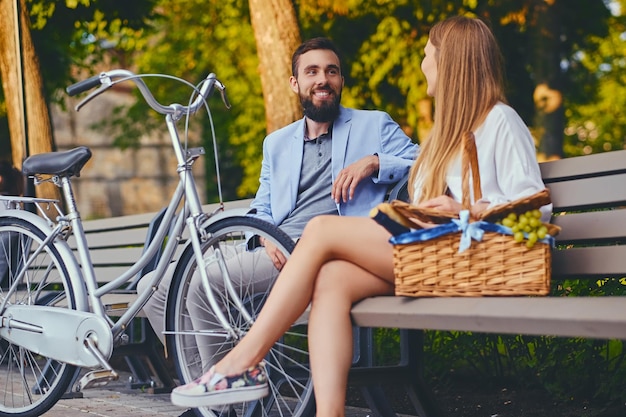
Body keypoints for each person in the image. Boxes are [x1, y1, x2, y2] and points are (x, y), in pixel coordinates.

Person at [170, 16, 552, 416]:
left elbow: (537, 205)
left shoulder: (500, 122)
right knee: (331, 279)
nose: (423, 65)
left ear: (452, 63)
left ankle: (241, 364)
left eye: (428, 56)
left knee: (320, 230)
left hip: (473, 260)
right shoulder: (444, 135)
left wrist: (466, 209)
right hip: (435, 256)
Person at [137, 36, 418, 379]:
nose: (323, 80)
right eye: (312, 71)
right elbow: (262, 207)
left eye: (332, 71)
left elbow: (423, 162)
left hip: (321, 253)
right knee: (152, 286)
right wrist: (264, 238)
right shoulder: (277, 143)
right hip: (272, 249)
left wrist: (374, 162)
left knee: (204, 283)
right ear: (295, 83)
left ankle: (223, 400)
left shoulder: (373, 125)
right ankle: (205, 389)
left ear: (341, 80)